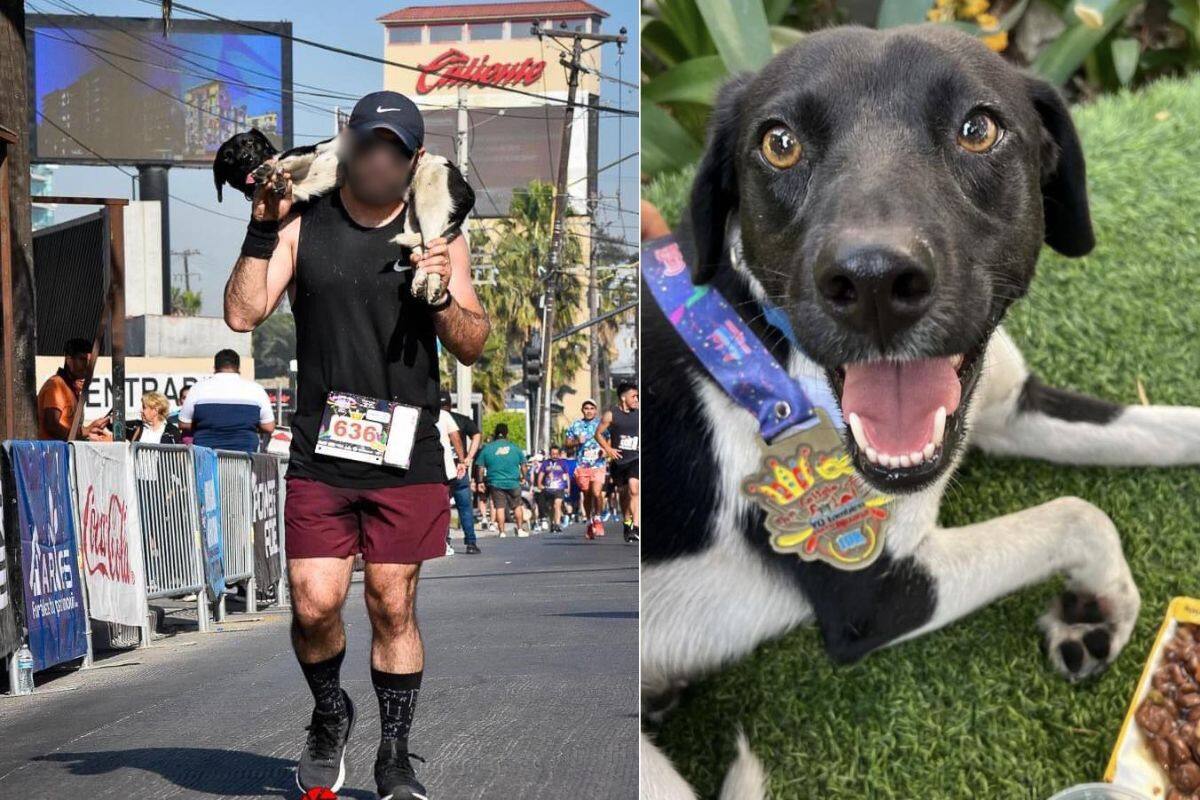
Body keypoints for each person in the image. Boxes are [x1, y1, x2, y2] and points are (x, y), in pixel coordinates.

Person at [222, 90, 489, 799]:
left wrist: (439, 296)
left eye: (393, 149)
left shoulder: (436, 230)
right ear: (348, 143)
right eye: (368, 144)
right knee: (313, 604)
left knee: (391, 604)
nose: (378, 159)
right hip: (322, 450)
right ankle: (330, 712)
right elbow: (242, 314)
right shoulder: (302, 221)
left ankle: (395, 754)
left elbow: (473, 343)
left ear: (415, 157)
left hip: (407, 452)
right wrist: (260, 226)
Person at [178, 350, 275, 454]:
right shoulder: (256, 389)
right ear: (238, 367)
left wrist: (204, 423)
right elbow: (269, 426)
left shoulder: (198, 388)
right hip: (244, 456)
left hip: (206, 456)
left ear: (215, 367)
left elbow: (183, 423)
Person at [37, 337, 110, 441]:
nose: (87, 365)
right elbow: (51, 425)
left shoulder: (72, 388)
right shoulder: (55, 385)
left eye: (89, 361)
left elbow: (72, 431)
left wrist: (89, 431)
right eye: (82, 360)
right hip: (53, 450)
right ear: (69, 360)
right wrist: (83, 433)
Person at [596, 382, 640, 543]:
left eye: (637, 396)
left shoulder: (639, 413)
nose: (636, 400)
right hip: (619, 461)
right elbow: (598, 434)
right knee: (624, 495)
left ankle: (636, 527)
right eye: (634, 396)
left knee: (634, 489)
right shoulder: (611, 415)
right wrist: (608, 449)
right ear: (623, 397)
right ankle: (627, 523)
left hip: (636, 458)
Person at [440, 391, 481, 554]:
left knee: (443, 508)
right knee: (465, 508)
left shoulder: (434, 419)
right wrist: (467, 458)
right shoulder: (461, 419)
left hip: (442, 470)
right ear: (450, 404)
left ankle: (445, 542)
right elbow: (476, 434)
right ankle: (471, 543)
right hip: (460, 469)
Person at [565, 399, 608, 539]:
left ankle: (598, 518)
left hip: (598, 464)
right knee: (587, 493)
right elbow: (567, 443)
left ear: (595, 410)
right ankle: (589, 522)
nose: (589, 411)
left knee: (596, 492)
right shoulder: (576, 425)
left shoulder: (601, 424)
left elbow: (609, 439)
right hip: (582, 465)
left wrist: (605, 450)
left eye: (591, 408)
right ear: (582, 410)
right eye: (586, 408)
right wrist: (577, 441)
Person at [476, 423, 527, 538]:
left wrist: (480, 482)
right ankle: (520, 529)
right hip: (513, 482)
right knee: (517, 506)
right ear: (506, 433)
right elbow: (524, 465)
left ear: (495, 434)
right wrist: (524, 477)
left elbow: (480, 467)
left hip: (495, 482)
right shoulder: (515, 448)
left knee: (499, 507)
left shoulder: (487, 449)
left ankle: (502, 532)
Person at [434, 398, 465, 555]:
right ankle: (444, 542)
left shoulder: (416, 411)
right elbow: (455, 437)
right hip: (443, 468)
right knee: (443, 505)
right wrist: (462, 460)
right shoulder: (444, 415)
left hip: (420, 468)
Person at [537, 445, 571, 533]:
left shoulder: (563, 463)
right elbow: (541, 474)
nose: (554, 455)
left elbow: (567, 476)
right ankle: (552, 523)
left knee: (557, 505)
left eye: (556, 454)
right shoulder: (546, 463)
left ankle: (557, 524)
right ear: (550, 454)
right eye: (553, 454)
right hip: (549, 488)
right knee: (551, 507)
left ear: (559, 454)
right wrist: (539, 484)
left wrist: (568, 487)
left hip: (560, 487)